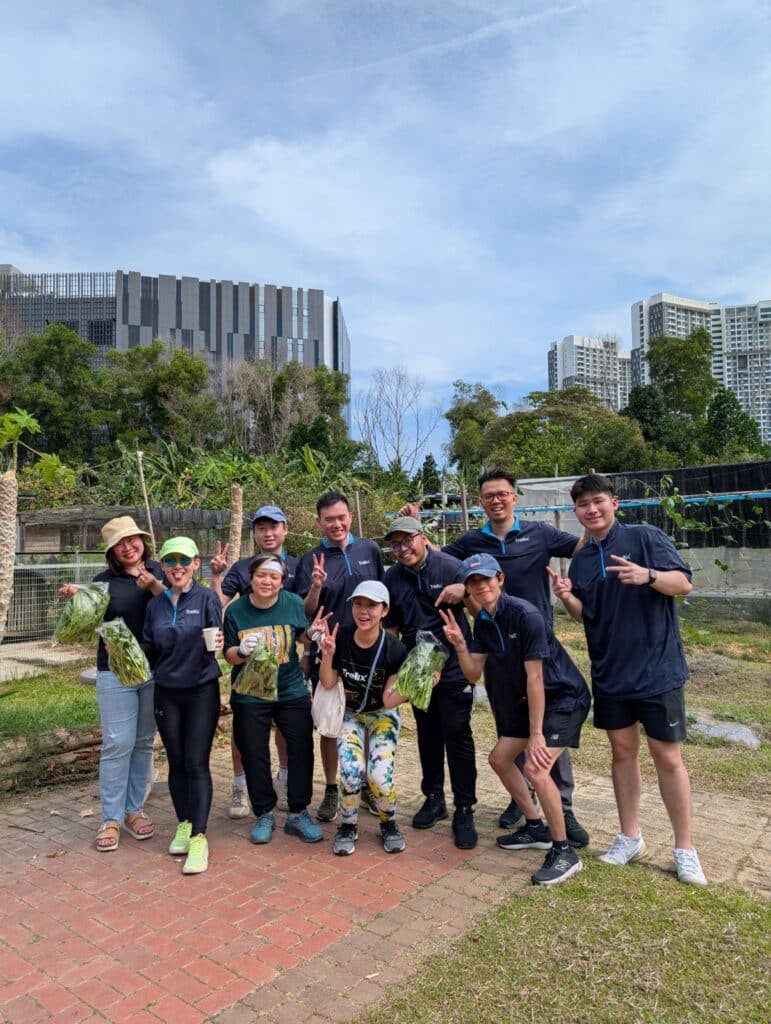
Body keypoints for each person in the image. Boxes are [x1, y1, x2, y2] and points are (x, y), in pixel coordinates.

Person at [403, 467, 589, 847]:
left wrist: (583, 509)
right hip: (496, 641)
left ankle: (562, 810)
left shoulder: (540, 533)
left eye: (502, 493)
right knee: (511, 729)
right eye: (488, 495)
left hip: (536, 642)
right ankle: (523, 805)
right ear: (481, 502)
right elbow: (437, 556)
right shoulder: (473, 541)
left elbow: (581, 548)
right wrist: (417, 528)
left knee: (546, 733)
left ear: (514, 497)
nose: (496, 500)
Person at [552, 473, 707, 886]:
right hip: (610, 672)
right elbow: (589, 614)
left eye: (598, 501)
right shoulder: (582, 558)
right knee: (623, 753)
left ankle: (685, 848)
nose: (592, 510)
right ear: (576, 512)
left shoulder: (645, 537)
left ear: (614, 503)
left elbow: (685, 584)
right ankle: (629, 836)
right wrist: (568, 599)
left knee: (668, 757)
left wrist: (649, 576)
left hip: (657, 671)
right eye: (584, 505)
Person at [440, 554, 590, 885]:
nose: (481, 586)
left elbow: (535, 678)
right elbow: (473, 674)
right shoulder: (482, 621)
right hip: (532, 699)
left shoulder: (526, 615)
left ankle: (564, 850)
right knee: (500, 758)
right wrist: (461, 646)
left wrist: (536, 735)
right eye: (473, 582)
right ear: (467, 590)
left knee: (536, 768)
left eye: (486, 579)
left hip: (564, 698)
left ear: (501, 580)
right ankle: (535, 826)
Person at [58, 516, 165, 853]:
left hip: (155, 670)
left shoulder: (161, 572)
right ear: (112, 552)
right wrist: (79, 600)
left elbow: (178, 605)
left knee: (144, 742)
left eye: (132, 539)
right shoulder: (102, 583)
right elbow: (83, 626)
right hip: (115, 672)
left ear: (143, 542)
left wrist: (153, 585)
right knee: (118, 742)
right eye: (120, 543)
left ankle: (134, 810)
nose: (128, 546)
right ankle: (111, 817)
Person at [383, 517, 479, 849]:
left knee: (458, 735)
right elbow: (392, 629)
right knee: (427, 735)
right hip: (417, 669)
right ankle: (434, 798)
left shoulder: (451, 566)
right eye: (395, 544)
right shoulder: (392, 578)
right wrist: (393, 669)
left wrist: (465, 589)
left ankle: (464, 808)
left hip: (453, 667)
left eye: (407, 540)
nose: (402, 548)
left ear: (423, 538)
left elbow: (481, 606)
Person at [295, 491, 384, 822]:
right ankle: (333, 788)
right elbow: (305, 613)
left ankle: (366, 788)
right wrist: (316, 587)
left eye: (341, 517)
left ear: (350, 517)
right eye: (329, 519)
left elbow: (380, 598)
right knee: (331, 725)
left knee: (370, 719)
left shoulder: (370, 550)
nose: (337, 524)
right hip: (329, 652)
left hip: (369, 653)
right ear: (319, 522)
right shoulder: (311, 560)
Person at [223, 554, 322, 845]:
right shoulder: (236, 611)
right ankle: (263, 812)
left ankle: (298, 812)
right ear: (251, 579)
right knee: (254, 752)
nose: (267, 581)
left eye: (274, 577)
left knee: (301, 748)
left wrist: (312, 634)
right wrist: (240, 651)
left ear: (281, 581)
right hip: (250, 693)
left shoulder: (292, 602)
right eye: (261, 576)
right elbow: (228, 654)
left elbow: (301, 636)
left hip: (290, 690)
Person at [211, 505, 298, 819]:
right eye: (261, 528)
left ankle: (285, 781)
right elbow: (217, 604)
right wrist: (217, 576)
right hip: (249, 666)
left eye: (274, 527)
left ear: (285, 529)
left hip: (287, 666)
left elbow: (303, 615)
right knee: (244, 730)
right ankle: (239, 786)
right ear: (255, 533)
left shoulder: (297, 567)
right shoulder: (242, 567)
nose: (268, 533)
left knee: (286, 728)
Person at [142, 537, 223, 875]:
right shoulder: (155, 606)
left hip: (202, 689)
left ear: (195, 564)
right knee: (175, 761)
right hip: (166, 692)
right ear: (162, 566)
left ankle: (200, 838)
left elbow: (218, 636)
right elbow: (148, 646)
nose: (177, 566)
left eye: (184, 560)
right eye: (170, 560)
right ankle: (184, 824)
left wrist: (219, 641)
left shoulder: (205, 598)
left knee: (196, 762)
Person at [317, 581, 411, 856]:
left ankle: (389, 822)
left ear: (384, 610)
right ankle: (348, 825)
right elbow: (327, 681)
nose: (364, 611)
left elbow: (389, 700)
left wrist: (416, 685)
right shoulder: (342, 637)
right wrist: (328, 655)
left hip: (382, 715)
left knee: (379, 777)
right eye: (358, 604)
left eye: (371, 605)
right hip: (351, 715)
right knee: (350, 771)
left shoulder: (394, 649)